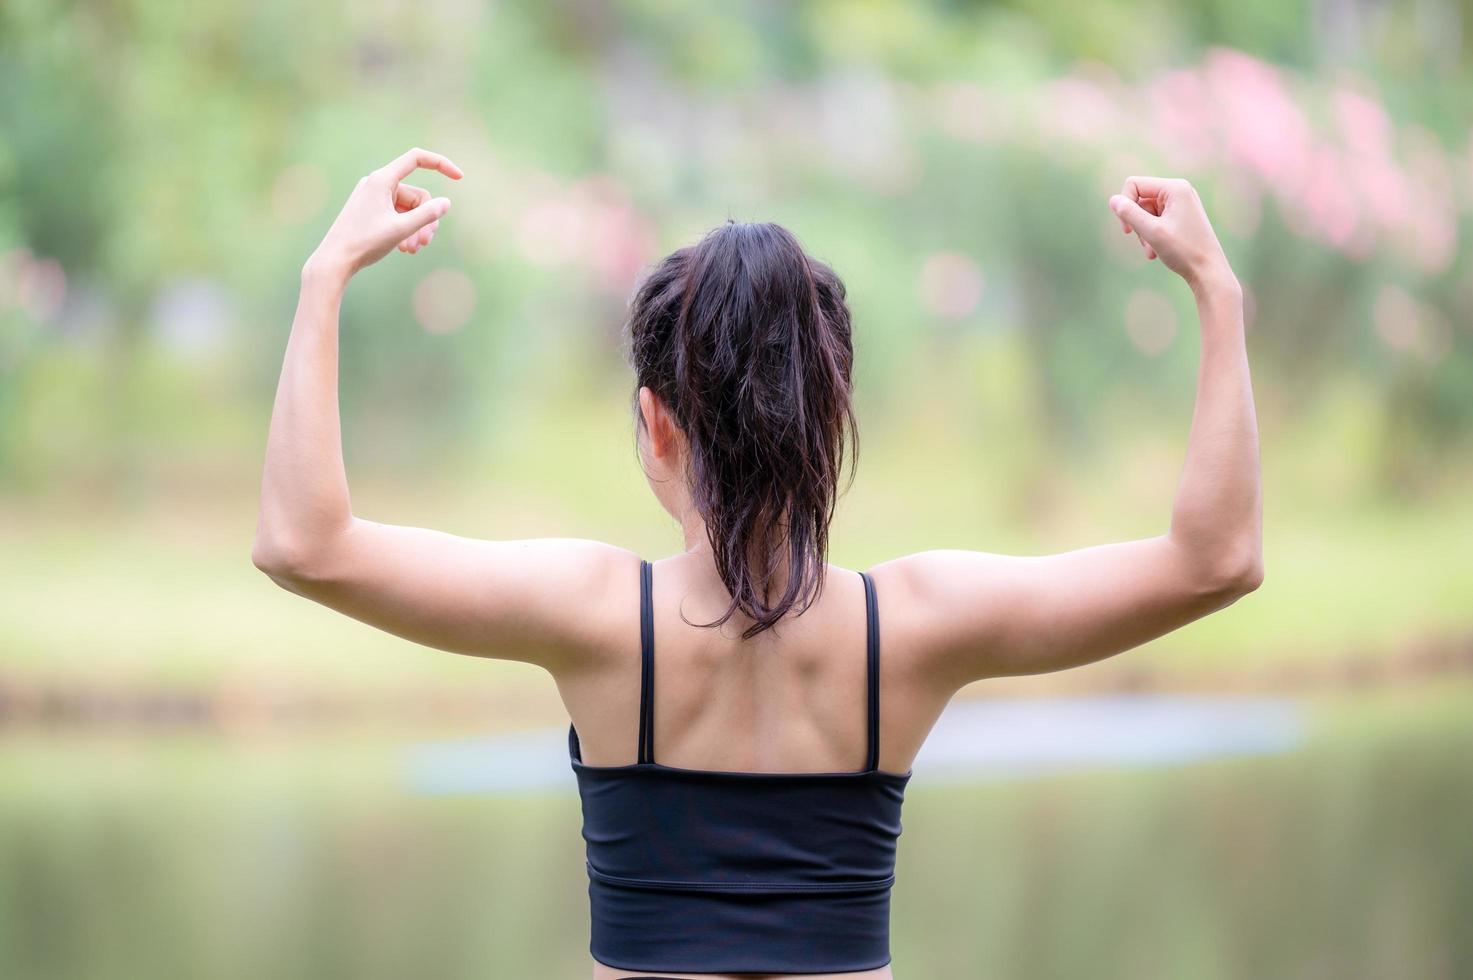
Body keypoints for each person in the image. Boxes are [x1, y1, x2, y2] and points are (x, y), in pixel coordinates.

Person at [252, 147, 1263, 980]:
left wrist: (323, 277)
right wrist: (1217, 293)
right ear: (831, 415)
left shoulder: (598, 616)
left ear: (656, 424)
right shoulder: (913, 624)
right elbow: (1216, 559)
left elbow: (304, 543)